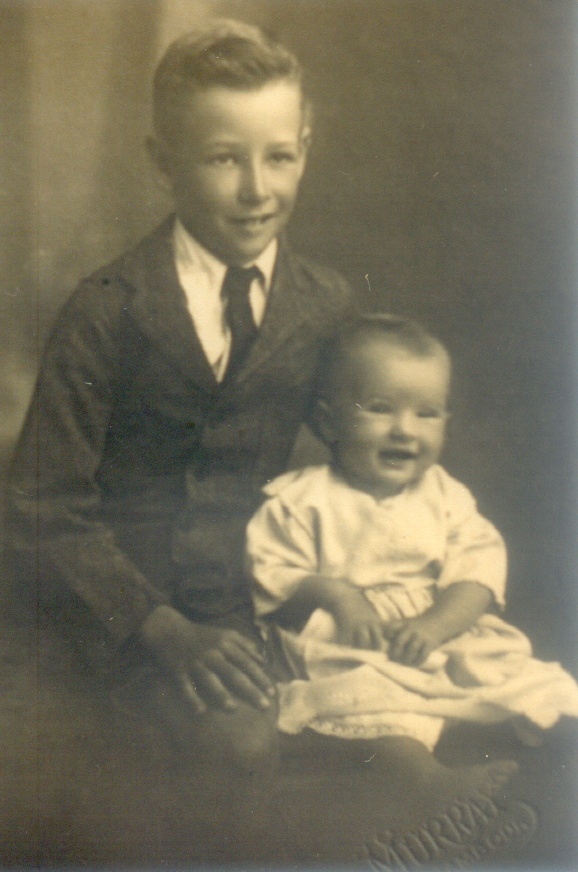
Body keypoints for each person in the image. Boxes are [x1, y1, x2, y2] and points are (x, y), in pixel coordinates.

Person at [7, 19, 355, 788]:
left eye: (280, 157)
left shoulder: (323, 303)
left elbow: (365, 452)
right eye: (224, 158)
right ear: (163, 164)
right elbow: (39, 502)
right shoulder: (106, 308)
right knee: (225, 757)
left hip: (251, 600)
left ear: (306, 148)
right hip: (115, 611)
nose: (257, 190)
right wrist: (161, 629)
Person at [246, 313, 578, 809]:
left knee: (542, 693)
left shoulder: (445, 495)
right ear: (329, 422)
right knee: (384, 721)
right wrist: (338, 595)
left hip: (438, 635)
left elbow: (477, 574)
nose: (405, 430)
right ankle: (434, 796)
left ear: (446, 422)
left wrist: (434, 625)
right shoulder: (300, 499)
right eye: (380, 409)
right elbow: (271, 577)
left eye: (426, 413)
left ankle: (534, 784)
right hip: (356, 645)